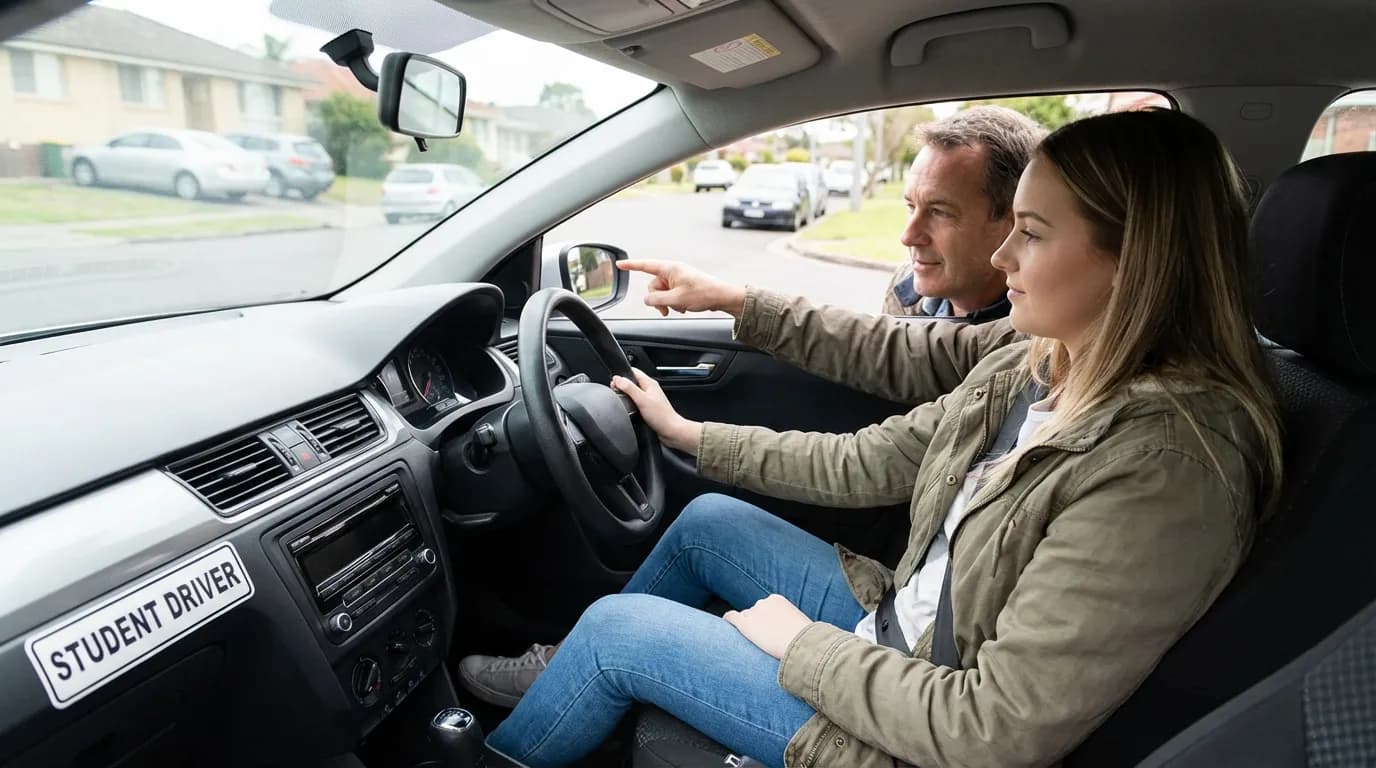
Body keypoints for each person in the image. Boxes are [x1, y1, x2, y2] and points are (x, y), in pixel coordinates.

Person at [478, 108, 1284, 768]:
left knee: (619, 634)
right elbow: (872, 456)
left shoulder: (1165, 467)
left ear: (1133, 262)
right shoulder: (1039, 361)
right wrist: (691, 433)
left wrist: (803, 646)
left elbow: (993, 730)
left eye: (1032, 232)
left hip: (914, 730)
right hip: (905, 627)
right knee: (707, 524)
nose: (1003, 253)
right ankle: (564, 682)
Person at [880, 106, 1045, 319]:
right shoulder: (904, 291)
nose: (908, 237)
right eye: (911, 207)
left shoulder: (1050, 325)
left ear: (1013, 223)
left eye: (939, 212)